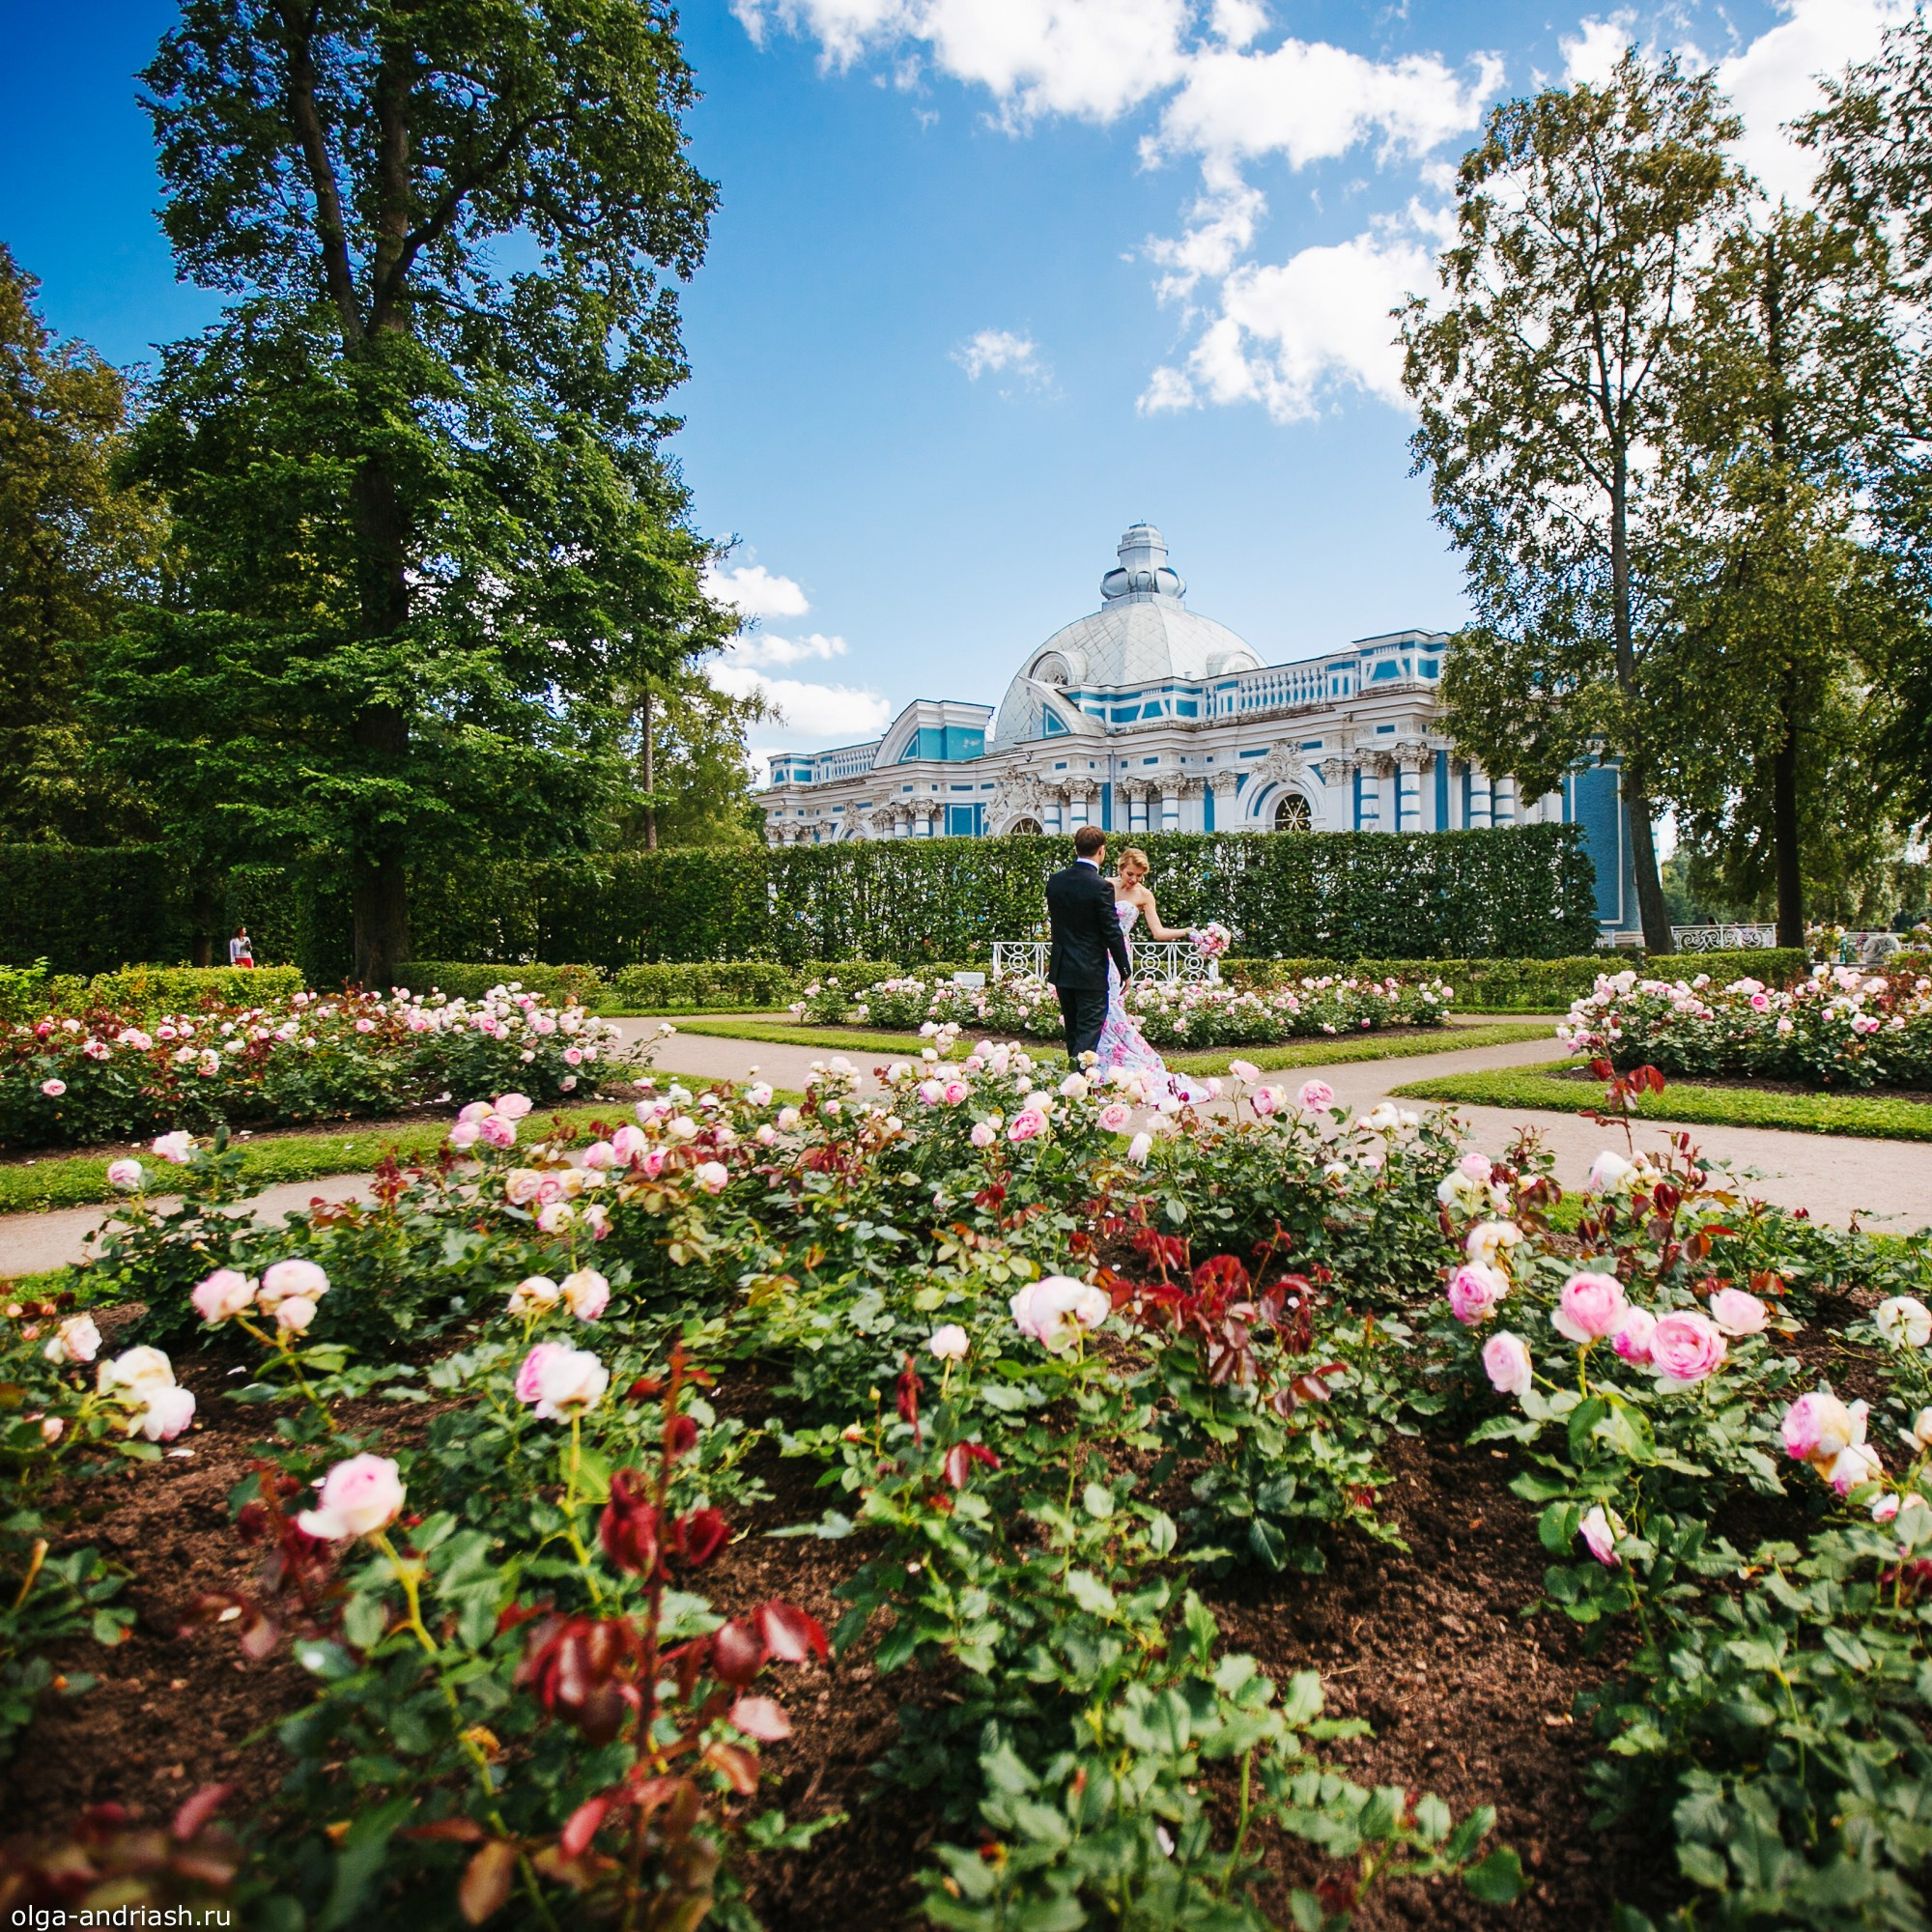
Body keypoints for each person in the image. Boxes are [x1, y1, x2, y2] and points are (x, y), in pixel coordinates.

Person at [1093, 846, 1209, 1103]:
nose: (1134, 880)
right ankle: (1099, 1067)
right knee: (1098, 1009)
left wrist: (1186, 931)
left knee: (1112, 1008)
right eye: (1130, 874)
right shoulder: (1104, 886)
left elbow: (1158, 932)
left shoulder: (1144, 896)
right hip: (1095, 952)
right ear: (1120, 868)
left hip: (1118, 956)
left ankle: (1117, 1065)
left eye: (1139, 876)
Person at [1045, 826, 1132, 1066]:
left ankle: (1075, 1081)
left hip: (1063, 968)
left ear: (1076, 848)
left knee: (1073, 1032)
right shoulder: (1101, 886)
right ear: (1101, 851)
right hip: (1089, 970)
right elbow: (1111, 932)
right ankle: (1078, 1082)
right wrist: (1125, 970)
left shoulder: (1056, 881)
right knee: (1088, 1034)